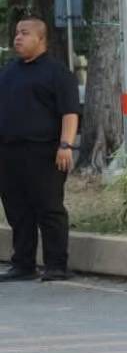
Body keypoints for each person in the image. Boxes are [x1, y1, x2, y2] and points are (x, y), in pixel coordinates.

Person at [0, 16, 80, 282]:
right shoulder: (10, 71)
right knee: (17, 209)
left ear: (40, 39)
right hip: (10, 152)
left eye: (24, 33)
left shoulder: (57, 73)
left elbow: (69, 112)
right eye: (16, 34)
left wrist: (66, 145)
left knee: (48, 207)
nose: (17, 38)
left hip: (45, 152)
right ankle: (23, 264)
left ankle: (56, 264)